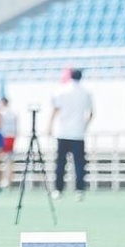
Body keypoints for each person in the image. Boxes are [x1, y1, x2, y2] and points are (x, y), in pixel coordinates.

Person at [49, 68, 94, 200]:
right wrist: (84, 126)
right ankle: (79, 190)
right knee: (79, 163)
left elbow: (55, 109)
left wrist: (49, 126)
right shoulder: (86, 92)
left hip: (62, 132)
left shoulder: (61, 90)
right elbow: (91, 113)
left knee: (60, 162)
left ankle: (58, 189)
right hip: (78, 133)